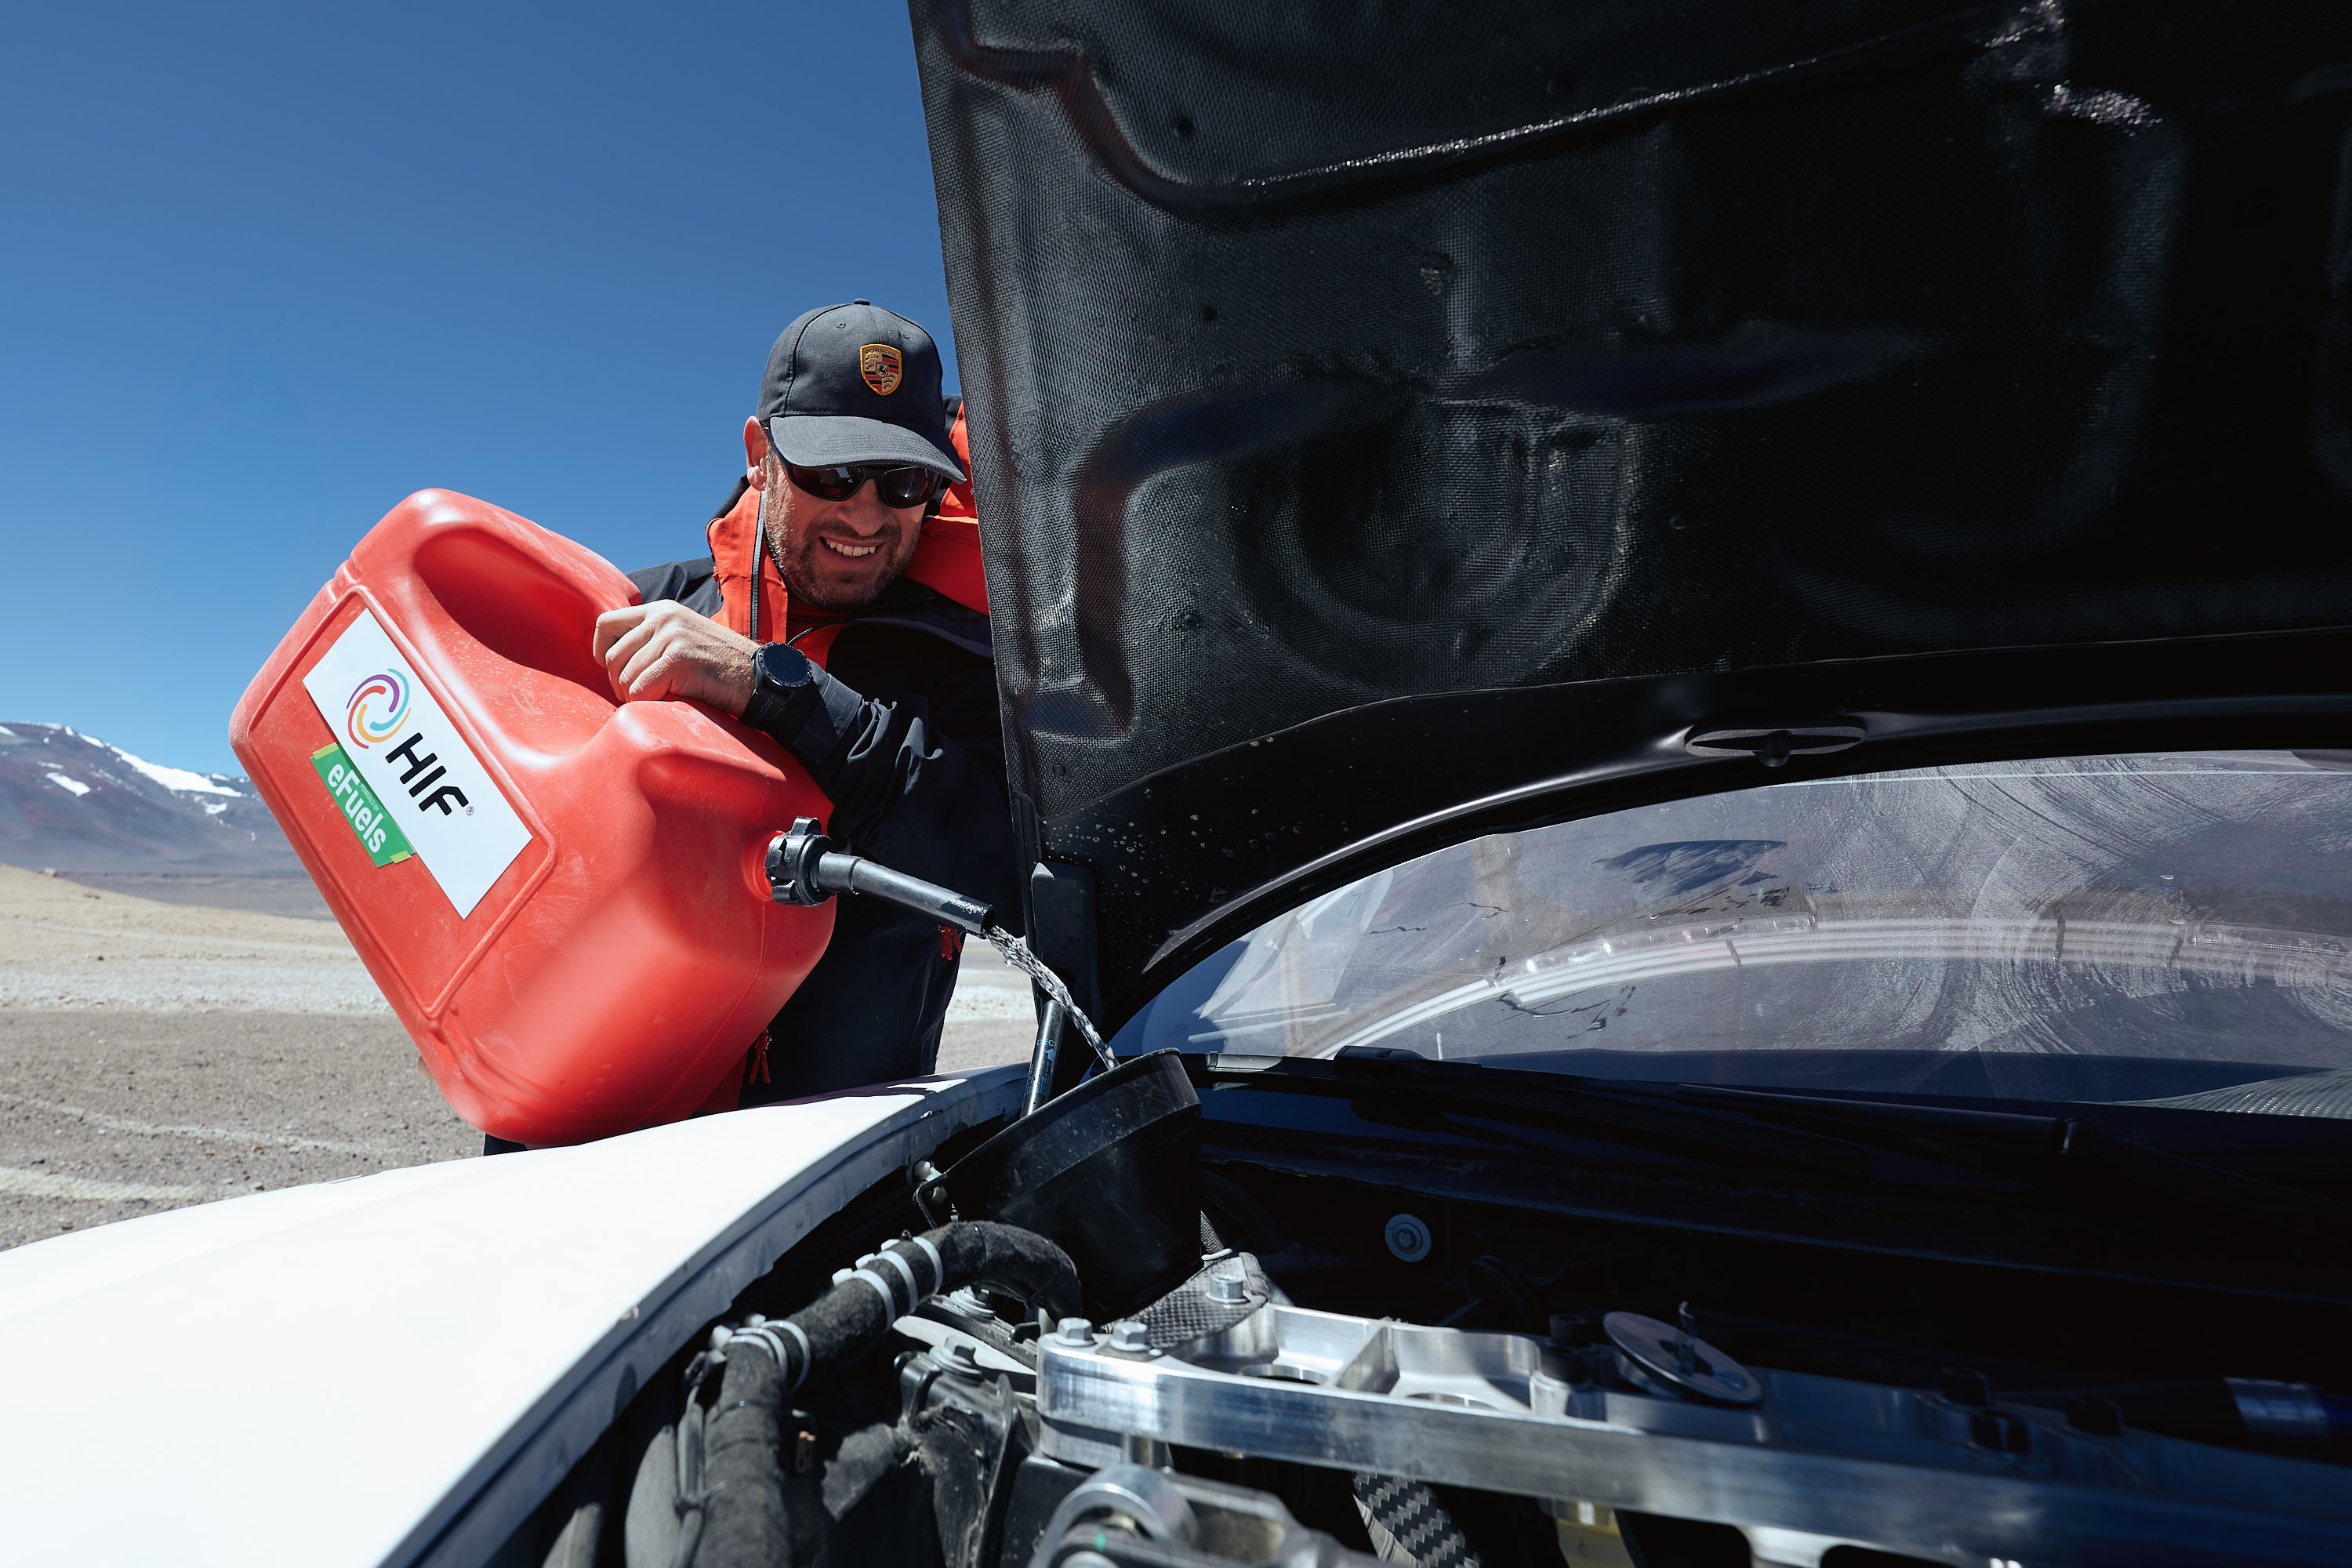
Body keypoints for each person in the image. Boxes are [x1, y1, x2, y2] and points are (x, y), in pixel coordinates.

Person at [590, 300, 1017, 1107]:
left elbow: (1000, 870)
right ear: (760, 454)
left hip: (826, 1166)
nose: (866, 512)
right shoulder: (647, 609)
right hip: (599, 1123)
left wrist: (773, 686)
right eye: (830, 471)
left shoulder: (966, 664)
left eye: (905, 481)